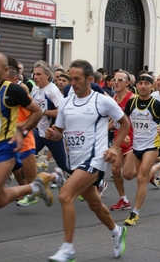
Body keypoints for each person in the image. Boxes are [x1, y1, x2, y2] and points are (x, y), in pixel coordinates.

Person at [45, 59, 130, 261]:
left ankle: (68, 249)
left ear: (90, 79)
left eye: (77, 79)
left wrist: (114, 147)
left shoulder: (102, 100)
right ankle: (117, 231)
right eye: (70, 79)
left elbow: (124, 123)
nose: (72, 83)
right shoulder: (66, 102)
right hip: (75, 161)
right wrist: (53, 135)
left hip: (95, 160)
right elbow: (59, 133)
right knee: (94, 204)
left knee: (65, 196)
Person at [0, 52, 51, 210]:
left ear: (5, 70)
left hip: (5, 148)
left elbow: (38, 112)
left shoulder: (13, 91)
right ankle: (34, 188)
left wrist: (22, 132)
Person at [123, 74, 160, 226]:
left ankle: (135, 213)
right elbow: (124, 120)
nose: (143, 86)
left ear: (152, 86)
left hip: (152, 145)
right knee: (132, 175)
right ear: (136, 86)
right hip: (137, 145)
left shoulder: (157, 105)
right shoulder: (131, 103)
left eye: (146, 83)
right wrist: (124, 135)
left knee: (141, 177)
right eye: (141, 83)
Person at [109, 70, 136, 211]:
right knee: (114, 169)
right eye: (115, 80)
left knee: (128, 174)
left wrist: (128, 133)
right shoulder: (113, 100)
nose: (116, 83)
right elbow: (115, 122)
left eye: (120, 80)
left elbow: (139, 120)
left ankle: (148, 168)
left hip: (133, 141)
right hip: (119, 141)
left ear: (127, 83)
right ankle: (123, 200)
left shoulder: (133, 99)